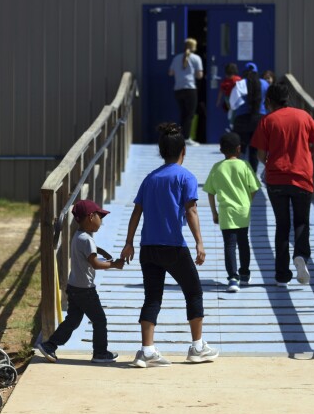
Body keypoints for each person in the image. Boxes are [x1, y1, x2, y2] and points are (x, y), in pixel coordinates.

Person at [120, 122, 219, 368]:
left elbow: (136, 212)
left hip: (148, 247)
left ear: (161, 151)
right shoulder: (186, 177)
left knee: (152, 297)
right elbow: (192, 210)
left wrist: (128, 243)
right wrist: (199, 243)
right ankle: (197, 347)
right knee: (193, 291)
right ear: (183, 150)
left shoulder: (150, 178)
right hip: (173, 246)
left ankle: (147, 350)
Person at [251, 82, 314, 287]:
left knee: (282, 225)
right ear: (287, 98)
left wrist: (269, 162)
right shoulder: (303, 116)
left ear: (269, 101)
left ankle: (282, 275)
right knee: (301, 222)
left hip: (276, 179)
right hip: (302, 177)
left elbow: (261, 154)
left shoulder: (267, 121)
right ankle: (300, 256)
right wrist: (304, 156)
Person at [36, 200, 125, 363]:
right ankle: (100, 353)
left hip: (74, 287)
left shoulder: (79, 236)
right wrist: (115, 264)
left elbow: (88, 252)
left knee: (73, 320)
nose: (101, 221)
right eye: (100, 216)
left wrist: (99, 250)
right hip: (86, 290)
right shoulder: (87, 240)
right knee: (99, 320)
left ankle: (50, 345)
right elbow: (96, 264)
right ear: (91, 217)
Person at [204, 132, 260, 293]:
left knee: (229, 245)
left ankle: (232, 278)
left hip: (226, 211)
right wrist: (248, 201)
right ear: (239, 149)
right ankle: (244, 273)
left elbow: (210, 192)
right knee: (244, 243)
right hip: (243, 210)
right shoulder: (245, 165)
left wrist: (214, 213)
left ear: (221, 150)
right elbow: (255, 187)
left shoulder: (217, 167)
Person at [229, 62, 269, 170]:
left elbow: (232, 103)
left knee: (240, 148)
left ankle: (239, 174)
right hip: (260, 119)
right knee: (254, 149)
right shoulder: (264, 84)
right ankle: (252, 175)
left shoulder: (240, 83)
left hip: (242, 119)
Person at [168, 38, 203, 147]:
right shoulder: (196, 58)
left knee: (183, 114)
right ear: (194, 47)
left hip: (178, 89)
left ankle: (181, 137)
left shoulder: (177, 58)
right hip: (190, 88)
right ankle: (187, 138)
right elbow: (199, 75)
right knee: (190, 114)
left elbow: (170, 73)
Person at [215, 62, 242, 130]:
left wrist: (218, 100)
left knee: (233, 112)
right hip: (230, 98)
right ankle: (232, 124)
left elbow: (221, 91)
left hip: (233, 98)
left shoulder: (236, 79)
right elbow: (221, 91)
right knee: (233, 111)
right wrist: (218, 100)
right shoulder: (234, 79)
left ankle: (232, 124)